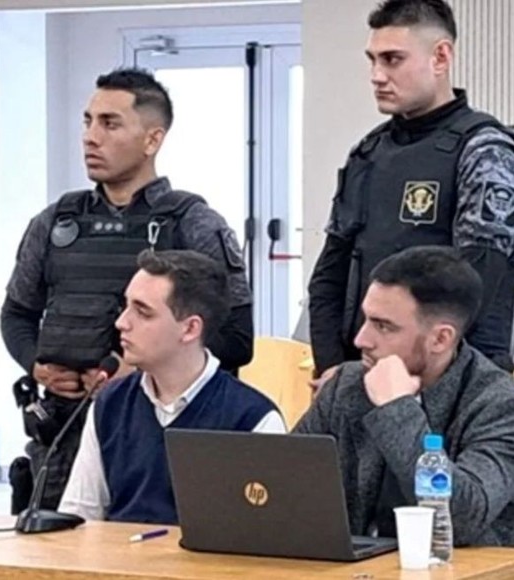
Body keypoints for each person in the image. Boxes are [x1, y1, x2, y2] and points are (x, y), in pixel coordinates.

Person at [1, 68, 253, 510]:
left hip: (157, 436)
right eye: (88, 121)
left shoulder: (193, 225)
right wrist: (38, 365)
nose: (90, 137)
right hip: (60, 435)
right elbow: (17, 314)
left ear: (152, 139)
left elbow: (236, 339)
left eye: (110, 124)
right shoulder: (55, 223)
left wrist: (139, 372)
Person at [308, 0, 514, 391]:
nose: (377, 75)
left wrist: (420, 387)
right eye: (372, 60)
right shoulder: (367, 153)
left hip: (454, 385)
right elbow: (328, 277)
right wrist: (333, 369)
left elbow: (478, 286)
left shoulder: (483, 151)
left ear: (441, 57)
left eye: (392, 59)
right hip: (360, 375)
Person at [296, 246, 514, 544]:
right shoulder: (347, 384)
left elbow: (460, 518)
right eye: (366, 319)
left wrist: (396, 409)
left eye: (383, 326)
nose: (361, 339)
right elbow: (285, 480)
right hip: (354, 564)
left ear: (440, 339)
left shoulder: (499, 404)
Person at [59, 250, 283, 524]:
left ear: (190, 329)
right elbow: (77, 518)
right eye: (125, 306)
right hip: (116, 552)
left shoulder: (254, 420)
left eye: (142, 312)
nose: (121, 323)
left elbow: (267, 534)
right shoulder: (109, 404)